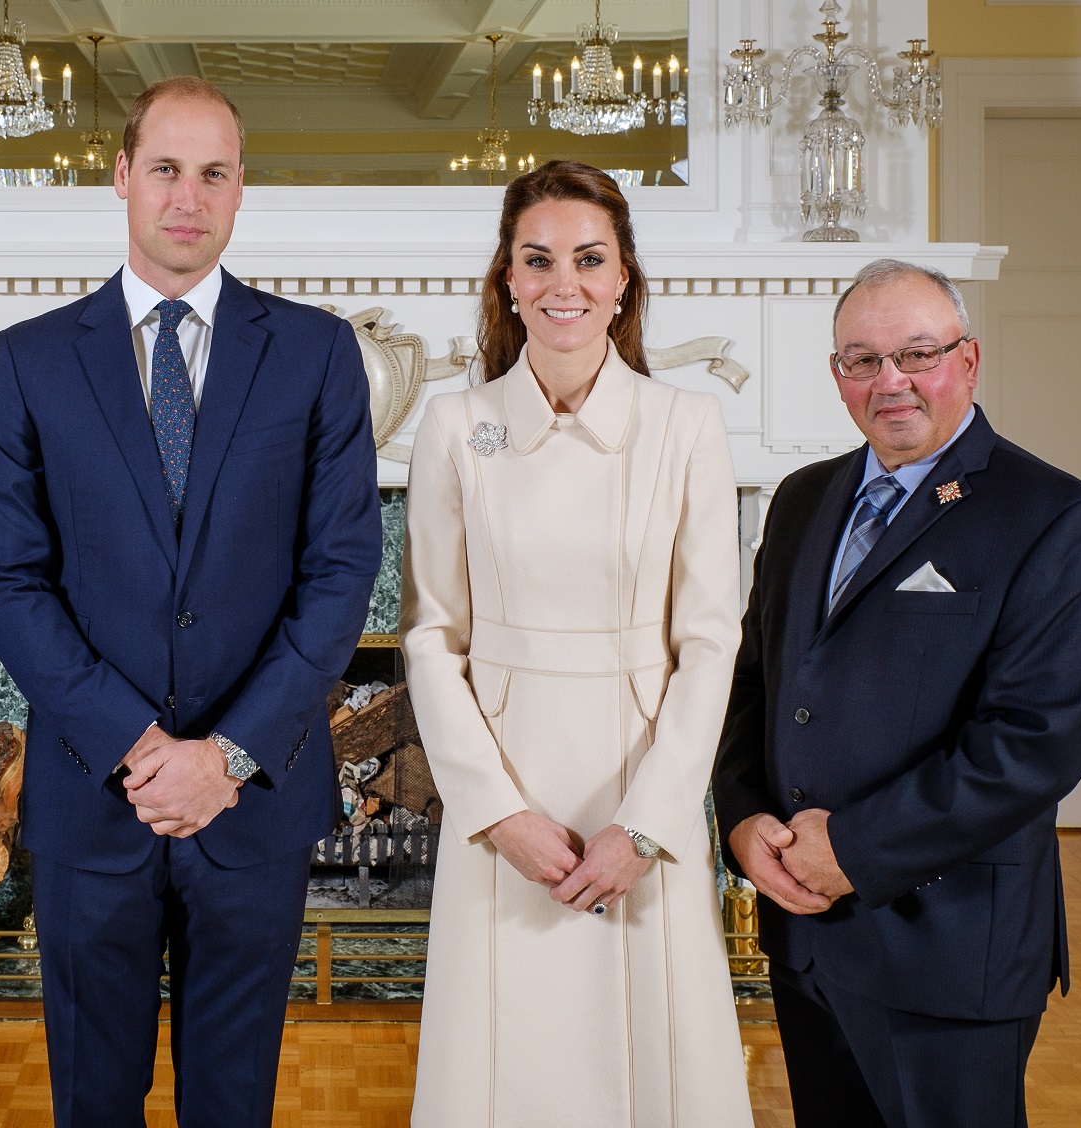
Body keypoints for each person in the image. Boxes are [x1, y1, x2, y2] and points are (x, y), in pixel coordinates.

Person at [0, 76, 382, 1128]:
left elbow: (341, 574)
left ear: (241, 191)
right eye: (165, 168)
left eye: (213, 173)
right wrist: (139, 746)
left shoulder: (318, 352)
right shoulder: (29, 361)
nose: (186, 197)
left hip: (255, 806)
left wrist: (226, 757)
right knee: (93, 1102)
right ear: (120, 177)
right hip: (89, 797)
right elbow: (8, 579)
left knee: (233, 1102)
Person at [712, 258, 1081, 1128]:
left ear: (967, 362)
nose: (888, 381)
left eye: (916, 353)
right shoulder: (800, 500)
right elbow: (753, 681)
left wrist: (852, 849)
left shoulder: (1055, 518)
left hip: (947, 947)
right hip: (805, 934)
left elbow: (1033, 744)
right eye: (860, 360)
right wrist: (742, 819)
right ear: (836, 377)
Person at [399, 160, 754, 1127]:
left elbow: (709, 641)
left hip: (643, 793)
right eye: (539, 260)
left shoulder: (686, 425)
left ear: (624, 277)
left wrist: (645, 824)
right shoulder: (454, 425)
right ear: (507, 281)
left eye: (589, 259)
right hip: (506, 800)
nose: (566, 283)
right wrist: (496, 812)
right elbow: (431, 636)